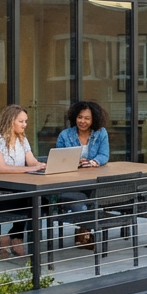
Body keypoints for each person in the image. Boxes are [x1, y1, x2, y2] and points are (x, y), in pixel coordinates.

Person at [0, 104, 46, 258]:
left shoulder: (22, 139)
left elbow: (31, 162)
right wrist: (30, 169)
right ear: (10, 121)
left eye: (26, 121)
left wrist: (41, 166)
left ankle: (13, 237)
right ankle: (13, 238)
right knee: (30, 202)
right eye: (21, 121)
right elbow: (2, 168)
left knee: (40, 201)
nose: (25, 125)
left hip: (16, 186)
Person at [52, 100, 111, 249]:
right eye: (80, 117)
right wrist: (74, 162)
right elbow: (59, 158)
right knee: (77, 200)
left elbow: (104, 155)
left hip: (93, 179)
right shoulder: (65, 135)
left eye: (87, 118)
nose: (82, 121)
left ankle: (83, 231)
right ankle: (84, 231)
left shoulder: (101, 133)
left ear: (93, 120)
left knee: (95, 196)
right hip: (71, 181)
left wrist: (93, 162)